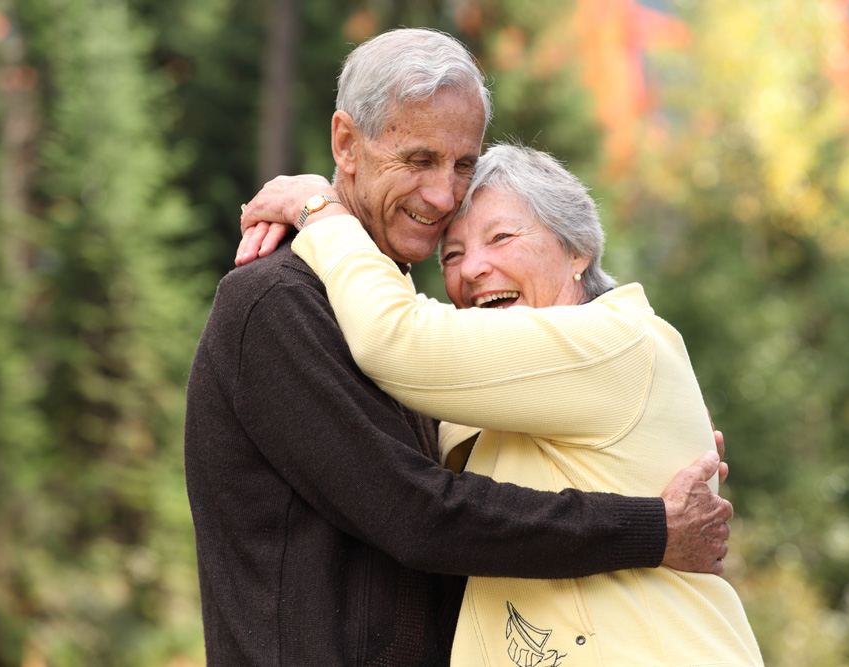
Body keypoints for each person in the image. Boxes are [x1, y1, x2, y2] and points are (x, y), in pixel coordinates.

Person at [188, 28, 731, 666]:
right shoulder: (279, 302)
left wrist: (653, 454)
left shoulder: (434, 343)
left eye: (463, 164)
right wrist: (651, 527)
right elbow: (417, 515)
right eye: (419, 160)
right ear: (346, 143)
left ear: (579, 244)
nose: (444, 196)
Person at [273, 142, 763, 666]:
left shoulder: (613, 339)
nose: (473, 270)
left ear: (578, 251)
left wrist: (321, 213)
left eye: (501, 237)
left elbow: (396, 338)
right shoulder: (497, 391)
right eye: (453, 255)